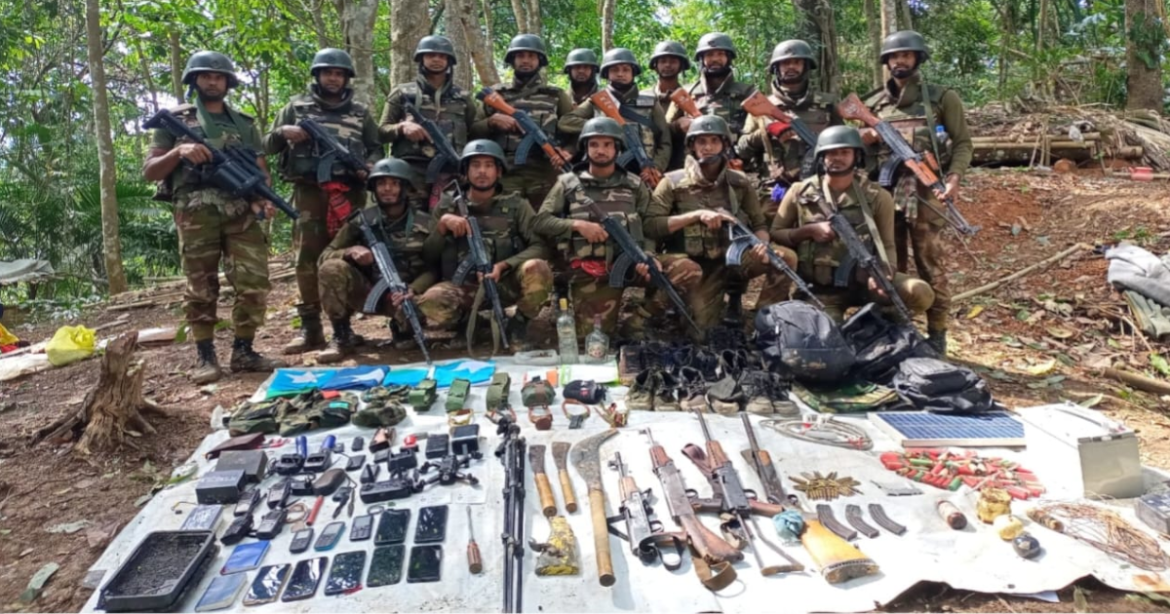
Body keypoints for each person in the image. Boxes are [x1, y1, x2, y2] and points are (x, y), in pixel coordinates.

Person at [142, 51, 286, 384]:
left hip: (240, 212)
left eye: (218, 76)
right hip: (195, 212)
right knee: (201, 286)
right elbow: (150, 171)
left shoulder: (243, 124)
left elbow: (260, 171)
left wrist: (262, 200)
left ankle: (244, 351)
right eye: (206, 75)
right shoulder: (174, 120)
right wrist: (179, 151)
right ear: (194, 80)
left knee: (254, 282)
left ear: (228, 82)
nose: (212, 81)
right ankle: (205, 356)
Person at [264, 48, 383, 355]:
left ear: (346, 78)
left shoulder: (360, 112)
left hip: (349, 193)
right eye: (328, 72)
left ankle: (343, 328)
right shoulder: (296, 107)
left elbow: (376, 147)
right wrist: (282, 132)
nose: (333, 78)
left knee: (346, 256)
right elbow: (266, 145)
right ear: (317, 75)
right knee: (306, 259)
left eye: (339, 73)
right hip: (309, 193)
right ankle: (311, 328)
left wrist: (370, 165)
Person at [533, 117, 697, 339]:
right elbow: (541, 221)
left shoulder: (634, 184)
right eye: (594, 144)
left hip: (634, 262)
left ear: (617, 148)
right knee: (594, 339)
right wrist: (577, 225)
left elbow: (648, 226)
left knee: (686, 269)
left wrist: (648, 254)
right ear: (585, 148)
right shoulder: (568, 183)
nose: (601, 150)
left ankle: (639, 320)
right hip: (591, 270)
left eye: (607, 144)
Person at [863, 30, 972, 354]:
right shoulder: (873, 104)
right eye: (895, 56)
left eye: (907, 55)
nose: (900, 60)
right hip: (885, 192)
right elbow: (857, 152)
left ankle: (937, 334)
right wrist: (864, 137)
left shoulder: (940, 98)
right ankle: (895, 327)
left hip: (926, 193)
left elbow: (962, 143)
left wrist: (954, 178)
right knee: (890, 263)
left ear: (918, 58)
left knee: (931, 265)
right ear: (886, 61)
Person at [644, 115, 793, 338]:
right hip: (695, 267)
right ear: (692, 146)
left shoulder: (739, 182)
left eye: (714, 141)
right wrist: (695, 216)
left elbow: (759, 223)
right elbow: (651, 225)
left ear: (724, 144)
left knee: (784, 259)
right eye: (701, 141)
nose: (708, 147)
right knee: (700, 333)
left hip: (732, 258)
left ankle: (764, 322)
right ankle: (679, 306)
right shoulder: (672, 183)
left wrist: (762, 244)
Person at [769, 126, 934, 322]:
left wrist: (885, 273)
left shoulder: (877, 196)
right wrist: (807, 231)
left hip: (866, 283)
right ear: (822, 156)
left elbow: (887, 244)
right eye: (832, 153)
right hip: (822, 291)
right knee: (826, 331)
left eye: (845, 152)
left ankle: (874, 325)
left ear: (857, 156)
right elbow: (776, 232)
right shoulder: (800, 191)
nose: (838, 158)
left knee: (920, 292)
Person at [419, 140, 553, 348]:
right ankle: (469, 322)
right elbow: (428, 256)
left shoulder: (517, 205)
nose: (482, 171)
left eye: (489, 165)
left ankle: (518, 324)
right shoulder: (447, 206)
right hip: (464, 288)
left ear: (498, 171)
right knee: (431, 301)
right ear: (466, 171)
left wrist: (503, 265)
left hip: (506, 283)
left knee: (538, 268)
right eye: (476, 165)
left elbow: (540, 246)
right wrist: (442, 226)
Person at [315, 158, 436, 363]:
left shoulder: (425, 223)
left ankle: (401, 328)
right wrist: (350, 251)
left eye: (394, 183)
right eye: (381, 184)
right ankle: (341, 335)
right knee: (331, 268)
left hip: (406, 294)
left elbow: (434, 268)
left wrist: (414, 289)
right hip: (369, 290)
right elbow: (324, 256)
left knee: (409, 329)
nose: (387, 189)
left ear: (405, 188)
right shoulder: (361, 220)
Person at [738, 40, 842, 222]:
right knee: (772, 234)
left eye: (797, 62)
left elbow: (843, 143)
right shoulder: (761, 107)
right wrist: (766, 133)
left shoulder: (827, 104)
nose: (791, 66)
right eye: (785, 63)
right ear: (776, 68)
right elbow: (741, 150)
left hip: (820, 186)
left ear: (806, 66)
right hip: (776, 189)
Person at [472, 34, 574, 210]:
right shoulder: (496, 95)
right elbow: (472, 131)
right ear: (512, 60)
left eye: (531, 56)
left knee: (544, 222)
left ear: (539, 61)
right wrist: (491, 122)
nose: (526, 60)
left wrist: (568, 151)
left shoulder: (556, 96)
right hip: (505, 173)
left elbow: (574, 133)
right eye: (520, 56)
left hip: (543, 173)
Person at [380, 35, 479, 210]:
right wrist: (402, 127)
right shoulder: (402, 93)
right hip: (410, 172)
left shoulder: (463, 97)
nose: (436, 60)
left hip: (451, 172)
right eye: (431, 55)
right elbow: (380, 132)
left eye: (442, 56)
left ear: (449, 61)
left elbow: (476, 133)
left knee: (449, 219)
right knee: (411, 220)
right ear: (421, 58)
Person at [559, 48, 671, 187]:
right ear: (607, 73)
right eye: (615, 70)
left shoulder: (650, 103)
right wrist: (602, 126)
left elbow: (665, 142)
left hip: (643, 173)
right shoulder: (597, 100)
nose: (620, 74)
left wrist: (656, 167)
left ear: (633, 73)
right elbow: (565, 122)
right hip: (601, 174)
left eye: (625, 70)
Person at [666, 32, 756, 146]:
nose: (715, 59)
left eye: (720, 54)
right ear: (702, 59)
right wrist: (678, 125)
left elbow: (758, 131)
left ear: (728, 58)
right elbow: (664, 130)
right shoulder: (686, 93)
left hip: (736, 153)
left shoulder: (747, 92)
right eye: (709, 54)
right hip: (694, 155)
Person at [642, 41, 691, 171]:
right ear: (655, 65)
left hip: (681, 163)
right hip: (649, 163)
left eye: (673, 61)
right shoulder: (643, 97)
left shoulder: (689, 96)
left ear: (681, 65)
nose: (668, 65)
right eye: (663, 61)